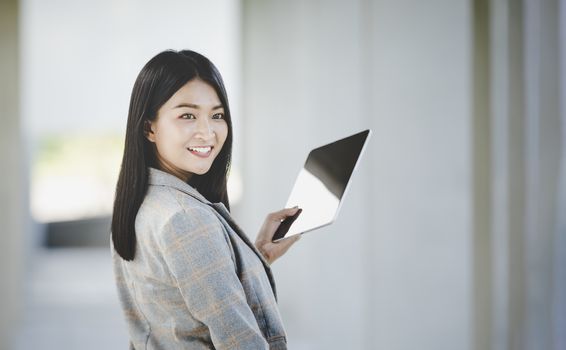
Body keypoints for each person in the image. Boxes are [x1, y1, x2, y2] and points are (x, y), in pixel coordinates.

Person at [111, 49, 301, 349]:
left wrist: (257, 256)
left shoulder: (141, 202)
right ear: (150, 127)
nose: (207, 132)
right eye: (187, 115)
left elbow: (179, 303)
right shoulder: (185, 217)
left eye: (217, 115)